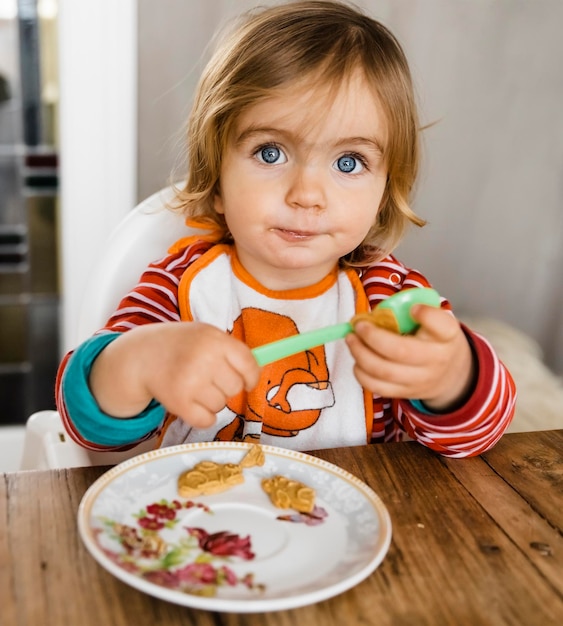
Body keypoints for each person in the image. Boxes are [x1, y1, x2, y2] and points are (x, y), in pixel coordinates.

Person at [56, 0, 515, 457]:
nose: (307, 194)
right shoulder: (178, 284)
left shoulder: (390, 298)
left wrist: (452, 377)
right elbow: (86, 430)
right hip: (200, 517)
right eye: (270, 153)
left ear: (383, 192)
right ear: (216, 179)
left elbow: (474, 436)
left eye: (349, 162)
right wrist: (139, 362)